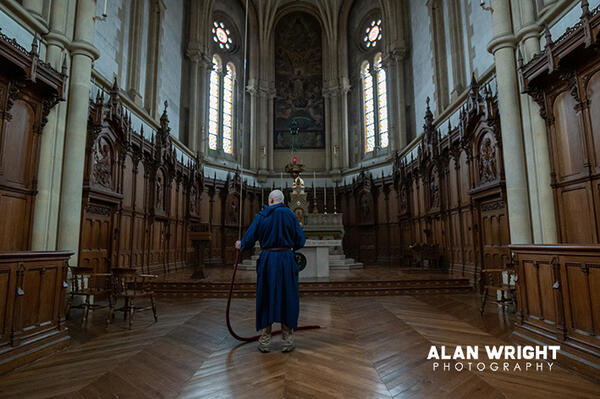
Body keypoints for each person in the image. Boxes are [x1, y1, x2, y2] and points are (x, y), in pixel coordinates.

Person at [235, 189, 305, 353]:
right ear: (282, 201)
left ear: (270, 200)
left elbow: (250, 237)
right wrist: (289, 247)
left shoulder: (262, 215)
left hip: (268, 260)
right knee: (288, 296)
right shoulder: (290, 215)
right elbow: (301, 240)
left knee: (266, 296)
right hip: (286, 260)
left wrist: (241, 245)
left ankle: (265, 340)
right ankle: (287, 339)